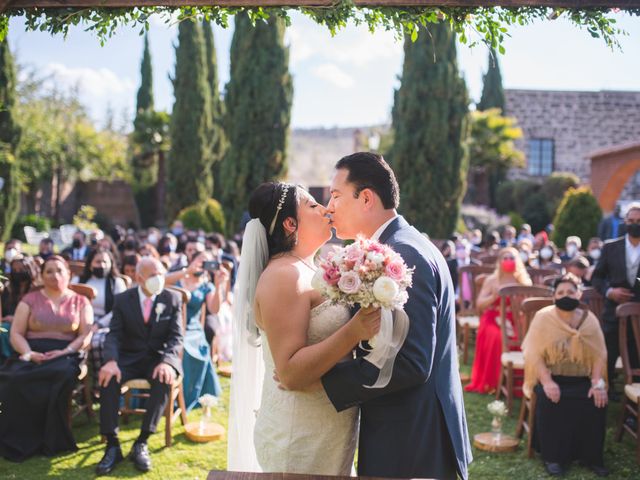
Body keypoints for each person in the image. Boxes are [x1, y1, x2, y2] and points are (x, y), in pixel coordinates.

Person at [321, 152, 472, 479]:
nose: (328, 207)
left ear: (366, 198)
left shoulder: (401, 254)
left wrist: (324, 382)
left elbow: (412, 363)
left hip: (413, 442)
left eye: (335, 196)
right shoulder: (404, 243)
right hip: (410, 433)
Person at [228, 181, 381, 475]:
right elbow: (290, 373)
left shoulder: (310, 268)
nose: (325, 209)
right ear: (290, 223)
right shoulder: (282, 276)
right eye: (312, 205)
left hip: (327, 426)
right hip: (299, 434)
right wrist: (354, 331)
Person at [0, 256, 93, 461]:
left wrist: (66, 351)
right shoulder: (29, 300)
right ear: (41, 276)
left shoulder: (81, 301)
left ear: (69, 274)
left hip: (66, 353)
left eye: (59, 270)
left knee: (60, 374)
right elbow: (16, 333)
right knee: (14, 378)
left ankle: (52, 439)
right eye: (49, 271)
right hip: (31, 351)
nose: (54, 275)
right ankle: (19, 437)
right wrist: (29, 354)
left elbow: (86, 334)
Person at [96, 257, 183, 475]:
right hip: (128, 359)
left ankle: (142, 442)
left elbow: (177, 338)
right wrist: (111, 361)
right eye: (153, 275)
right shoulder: (123, 299)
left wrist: (167, 362)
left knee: (164, 378)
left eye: (161, 273)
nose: (159, 279)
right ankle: (112, 445)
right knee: (108, 378)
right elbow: (113, 334)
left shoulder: (172, 298)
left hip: (157, 358)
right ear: (139, 278)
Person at [522, 274, 608, 477]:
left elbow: (600, 354)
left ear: (579, 294)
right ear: (554, 297)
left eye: (570, 292)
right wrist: (548, 382)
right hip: (550, 376)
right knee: (550, 398)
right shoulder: (543, 317)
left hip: (581, 379)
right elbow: (533, 353)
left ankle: (591, 457)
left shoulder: (590, 320)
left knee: (596, 400)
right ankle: (553, 458)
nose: (565, 295)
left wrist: (597, 384)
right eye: (560, 292)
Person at [465, 247, 533, 394]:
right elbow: (479, 304)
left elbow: (527, 307)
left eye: (512, 258)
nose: (509, 261)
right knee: (498, 337)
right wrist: (493, 297)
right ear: (500, 261)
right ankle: (493, 382)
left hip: (514, 320)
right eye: (505, 258)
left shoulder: (523, 282)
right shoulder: (492, 280)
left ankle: (516, 383)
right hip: (492, 317)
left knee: (519, 338)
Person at [165, 250, 225, 410]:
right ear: (191, 260)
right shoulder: (179, 277)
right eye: (200, 260)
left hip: (193, 329)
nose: (202, 264)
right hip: (171, 326)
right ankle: (170, 392)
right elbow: (161, 283)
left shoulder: (207, 286)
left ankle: (184, 395)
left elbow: (214, 309)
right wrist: (186, 271)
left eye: (207, 262)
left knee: (188, 347)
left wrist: (219, 285)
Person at [592, 202, 640, 387]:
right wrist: (610, 291)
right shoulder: (611, 247)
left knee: (637, 356)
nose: (635, 224)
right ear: (625, 222)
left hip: (638, 316)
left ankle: (633, 401)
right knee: (608, 355)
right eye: (631, 220)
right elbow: (597, 278)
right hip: (613, 314)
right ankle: (605, 391)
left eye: (639, 221)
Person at [77, 249, 128, 394]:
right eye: (98, 261)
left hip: (106, 323)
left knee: (98, 341)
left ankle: (100, 384)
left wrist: (98, 325)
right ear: (90, 264)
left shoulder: (116, 282)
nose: (102, 265)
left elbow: (118, 309)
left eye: (105, 262)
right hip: (81, 321)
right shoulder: (79, 281)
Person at [0, 256, 40, 362]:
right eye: (15, 270)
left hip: (29, 324)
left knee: (3, 330)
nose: (18, 273)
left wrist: (16, 319)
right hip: (7, 322)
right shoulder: (8, 289)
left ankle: (8, 359)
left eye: (22, 270)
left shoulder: (37, 291)